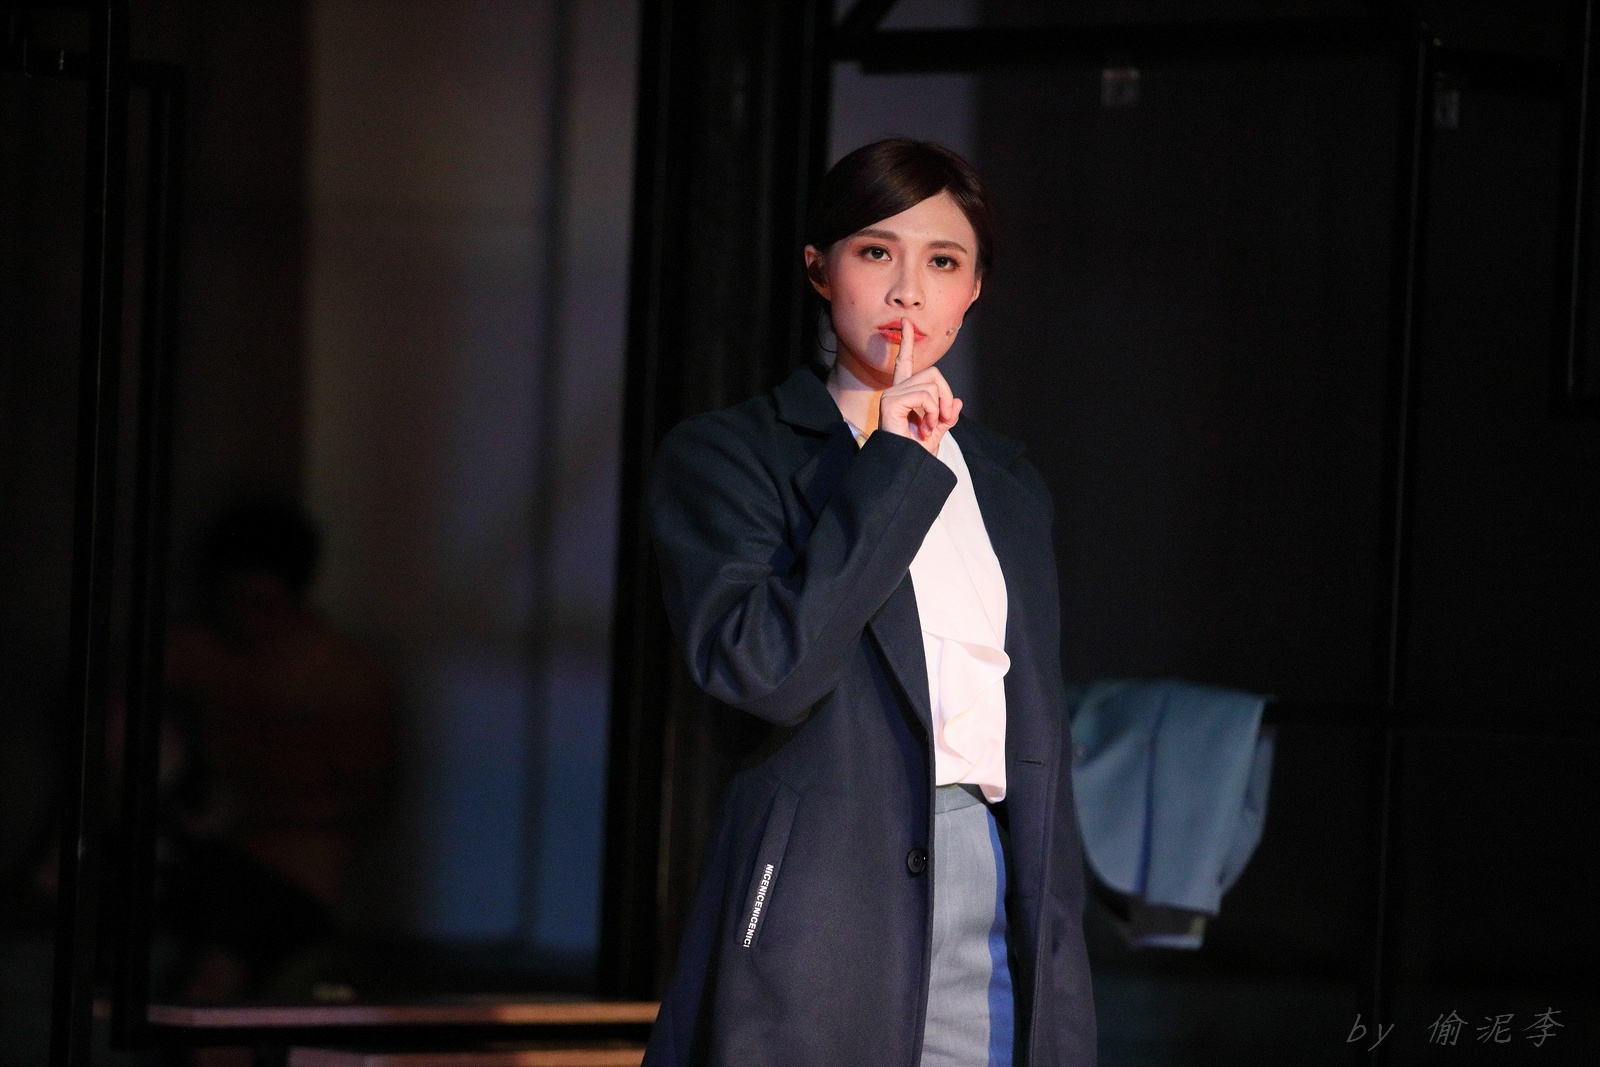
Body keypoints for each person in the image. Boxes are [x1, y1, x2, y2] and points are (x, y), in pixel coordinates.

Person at [644, 140, 1096, 1066]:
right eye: (876, 251)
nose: (908, 291)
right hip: (824, 897)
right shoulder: (734, 455)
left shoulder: (1009, 483)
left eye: (944, 262)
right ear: (820, 269)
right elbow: (763, 670)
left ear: (974, 290)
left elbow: (1034, 730)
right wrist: (888, 468)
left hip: (994, 885)